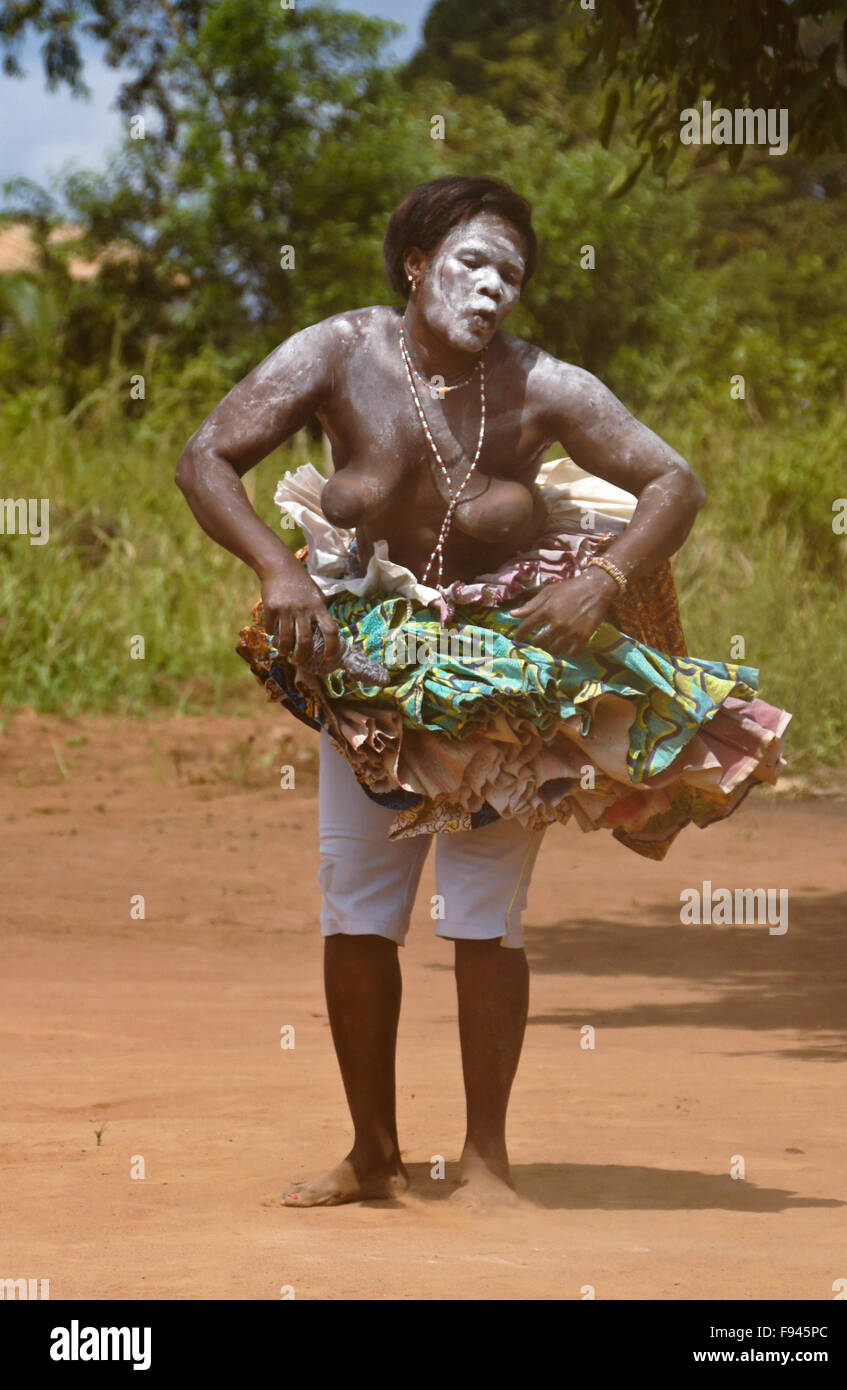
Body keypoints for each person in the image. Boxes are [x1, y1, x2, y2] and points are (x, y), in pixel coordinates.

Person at [175, 175, 790, 1210]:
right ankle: (371, 1153)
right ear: (415, 265)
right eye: (470, 261)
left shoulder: (544, 385)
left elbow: (671, 481)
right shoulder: (338, 351)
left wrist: (599, 581)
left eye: (509, 272)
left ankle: (486, 1160)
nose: (492, 285)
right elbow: (206, 457)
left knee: (484, 915)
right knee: (358, 910)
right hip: (368, 674)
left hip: (511, 680)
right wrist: (278, 572)